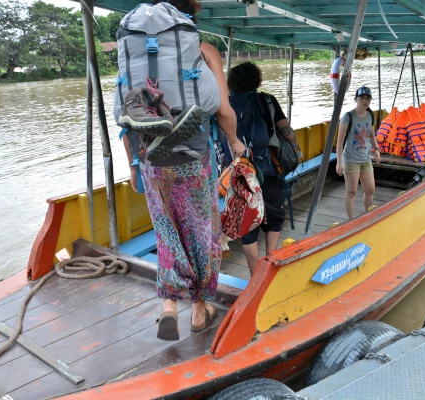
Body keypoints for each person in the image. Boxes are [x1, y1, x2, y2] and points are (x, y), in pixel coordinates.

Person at [119, 0, 245, 341]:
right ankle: (199, 312)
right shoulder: (204, 50)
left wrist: (133, 163)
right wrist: (235, 143)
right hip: (193, 158)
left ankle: (168, 307)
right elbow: (222, 110)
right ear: (192, 12)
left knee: (166, 230)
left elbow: (127, 111)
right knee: (202, 234)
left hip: (150, 159)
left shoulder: (136, 50)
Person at [226, 62, 301, 276]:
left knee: (248, 226)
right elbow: (286, 132)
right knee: (274, 218)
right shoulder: (266, 100)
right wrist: (293, 145)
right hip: (267, 170)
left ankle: (254, 277)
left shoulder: (225, 105)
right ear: (257, 80)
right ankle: (271, 267)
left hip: (238, 173)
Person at [336, 86, 381, 220]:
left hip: (365, 158)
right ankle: (351, 220)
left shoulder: (370, 115)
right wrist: (339, 162)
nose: (365, 101)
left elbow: (372, 135)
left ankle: (368, 216)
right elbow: (339, 141)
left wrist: (376, 149)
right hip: (350, 159)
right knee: (351, 192)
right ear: (356, 99)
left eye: (368, 99)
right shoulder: (348, 117)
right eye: (362, 98)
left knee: (370, 190)